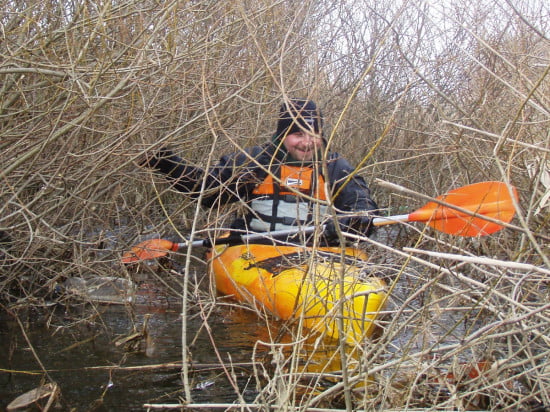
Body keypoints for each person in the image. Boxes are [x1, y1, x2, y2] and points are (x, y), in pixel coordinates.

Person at [143, 98, 378, 246]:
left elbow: (362, 205)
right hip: (259, 247)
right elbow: (207, 192)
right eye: (298, 134)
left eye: (313, 134)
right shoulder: (257, 162)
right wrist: (166, 163)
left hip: (319, 252)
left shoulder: (336, 168)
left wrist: (357, 220)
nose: (307, 142)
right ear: (282, 136)